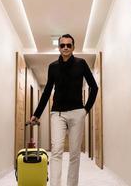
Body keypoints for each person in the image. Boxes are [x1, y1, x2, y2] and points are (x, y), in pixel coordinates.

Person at [30, 34, 98, 186]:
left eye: (69, 45)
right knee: (57, 150)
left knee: (74, 153)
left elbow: (94, 87)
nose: (65, 48)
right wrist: (37, 114)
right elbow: (47, 91)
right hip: (57, 113)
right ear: (59, 48)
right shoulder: (53, 67)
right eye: (62, 45)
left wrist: (85, 110)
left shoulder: (81, 64)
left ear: (73, 47)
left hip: (77, 113)